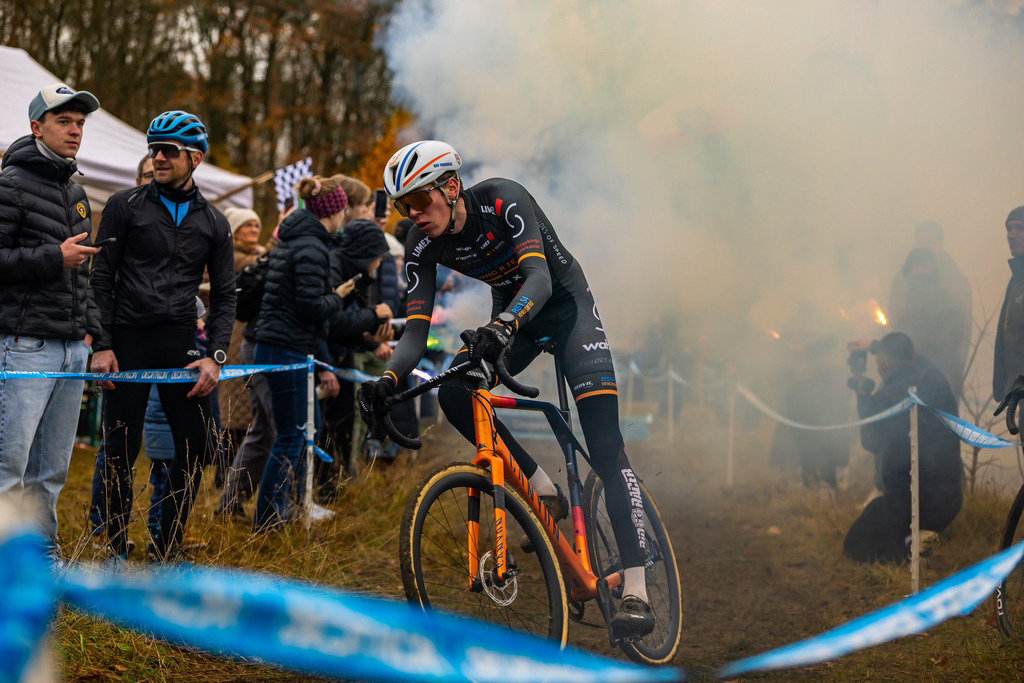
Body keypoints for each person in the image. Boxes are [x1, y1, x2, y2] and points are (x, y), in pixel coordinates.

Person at [359, 140, 655, 637]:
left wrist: (505, 326)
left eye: (419, 201)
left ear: (451, 186)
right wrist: (386, 380)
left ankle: (637, 591)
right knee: (453, 390)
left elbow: (538, 279)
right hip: (514, 318)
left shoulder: (502, 198)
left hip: (565, 311)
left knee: (605, 446)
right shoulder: (420, 240)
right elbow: (414, 330)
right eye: (403, 206)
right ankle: (540, 486)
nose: (412, 215)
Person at [90, 110, 235, 562]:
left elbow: (226, 296)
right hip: (127, 339)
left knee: (198, 446)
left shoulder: (214, 221)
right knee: (121, 445)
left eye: (168, 151)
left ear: (196, 158)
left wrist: (215, 356)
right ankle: (113, 547)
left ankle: (166, 543)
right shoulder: (124, 206)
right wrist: (102, 343)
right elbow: (101, 279)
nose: (157, 157)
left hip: (180, 342)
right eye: (153, 149)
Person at [0, 83, 102, 566]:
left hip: (69, 349)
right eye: (64, 121)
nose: (75, 130)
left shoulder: (76, 191)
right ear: (36, 127)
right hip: (23, 345)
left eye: (80, 123)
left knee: (51, 471)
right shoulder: (9, 185)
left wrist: (91, 335)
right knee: (8, 467)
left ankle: (40, 563)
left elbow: (82, 276)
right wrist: (51, 258)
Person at [250, 175, 360, 531]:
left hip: (284, 344)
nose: (344, 216)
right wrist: (338, 296)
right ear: (335, 210)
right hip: (286, 347)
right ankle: (268, 520)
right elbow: (311, 306)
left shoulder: (299, 239)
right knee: (291, 436)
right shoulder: (312, 246)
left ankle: (277, 512)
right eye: (343, 209)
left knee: (291, 434)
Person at [843, 333, 962, 563]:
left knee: (855, 543)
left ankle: (908, 548)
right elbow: (922, 360)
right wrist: (876, 347)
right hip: (950, 502)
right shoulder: (936, 379)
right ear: (913, 357)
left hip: (911, 502)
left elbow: (871, 442)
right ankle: (916, 535)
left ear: (883, 364)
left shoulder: (885, 398)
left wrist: (863, 397)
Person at [888, 221, 972, 400]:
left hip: (943, 368)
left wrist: (955, 373)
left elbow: (962, 334)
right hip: (905, 366)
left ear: (941, 244)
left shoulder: (956, 280)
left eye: (929, 241)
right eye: (920, 242)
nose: (925, 246)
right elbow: (893, 317)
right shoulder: (901, 279)